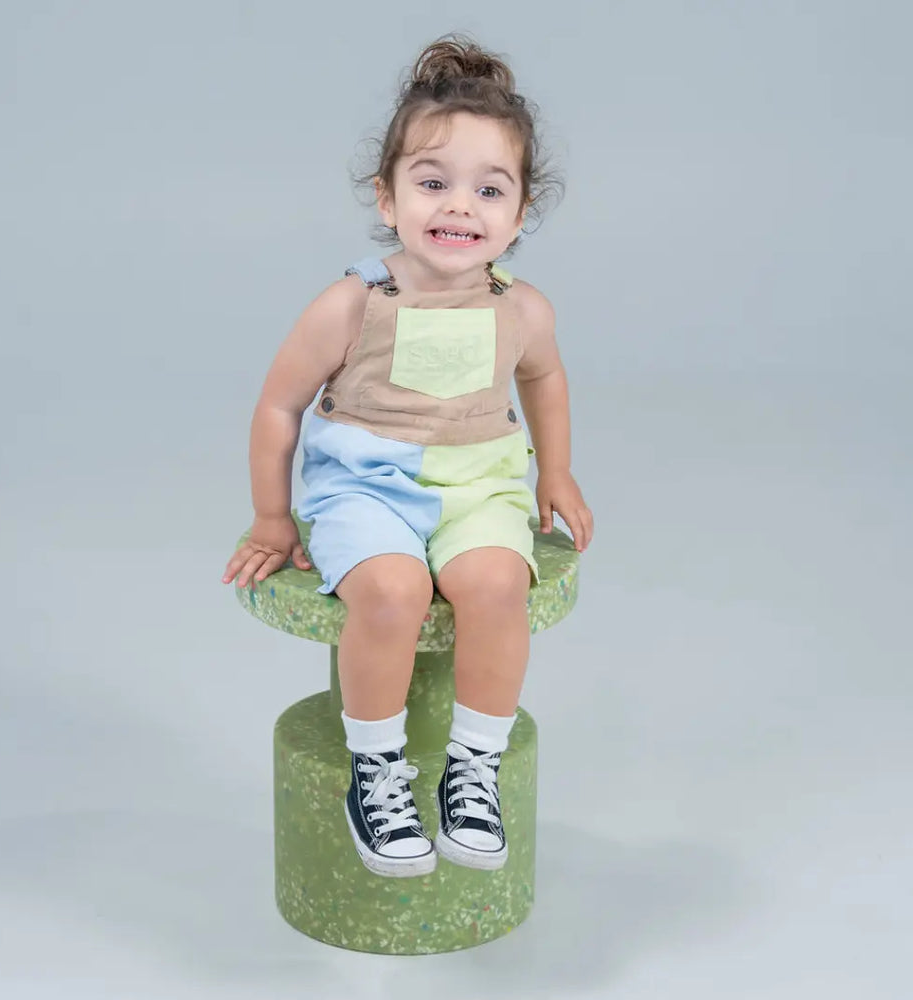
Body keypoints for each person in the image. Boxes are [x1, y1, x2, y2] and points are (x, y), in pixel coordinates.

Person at [222, 35, 593, 878]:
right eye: (432, 183)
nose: (460, 207)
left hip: (479, 487)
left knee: (495, 586)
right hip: (366, 489)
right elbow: (278, 405)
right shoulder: (354, 301)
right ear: (387, 198)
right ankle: (378, 771)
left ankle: (474, 768)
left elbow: (545, 379)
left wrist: (557, 470)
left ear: (521, 212)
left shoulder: (522, 309)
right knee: (391, 593)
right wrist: (272, 515)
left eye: (489, 189)